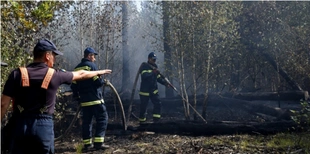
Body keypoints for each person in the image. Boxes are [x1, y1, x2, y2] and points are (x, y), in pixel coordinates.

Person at [0, 39, 112, 154]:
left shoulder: (17, 74)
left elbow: (3, 104)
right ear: (47, 56)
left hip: (19, 126)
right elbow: (81, 74)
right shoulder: (54, 74)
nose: (55, 59)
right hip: (43, 127)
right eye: (54, 55)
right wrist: (99, 72)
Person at [70, 47, 109, 152]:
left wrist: (78, 98)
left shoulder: (76, 68)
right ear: (89, 56)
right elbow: (97, 83)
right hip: (96, 100)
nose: (94, 59)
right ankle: (99, 143)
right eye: (93, 56)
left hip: (84, 102)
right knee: (102, 119)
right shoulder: (92, 66)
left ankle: (88, 145)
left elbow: (73, 86)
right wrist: (103, 81)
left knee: (86, 122)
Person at [138, 52, 169, 123]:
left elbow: (158, 78)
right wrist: (153, 72)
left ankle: (156, 120)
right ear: (149, 59)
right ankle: (142, 122)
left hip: (153, 90)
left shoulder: (155, 66)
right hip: (145, 91)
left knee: (158, 104)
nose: (154, 61)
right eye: (153, 59)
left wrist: (165, 83)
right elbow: (144, 76)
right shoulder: (144, 66)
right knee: (143, 107)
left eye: (155, 60)